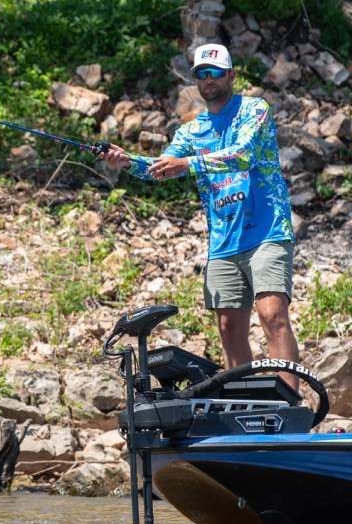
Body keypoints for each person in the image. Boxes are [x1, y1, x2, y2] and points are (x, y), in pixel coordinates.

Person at [98, 43, 300, 390]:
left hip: (267, 230)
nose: (209, 79)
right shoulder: (192, 130)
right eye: (202, 74)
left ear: (231, 75)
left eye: (215, 72)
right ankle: (243, 404)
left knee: (272, 316)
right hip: (223, 240)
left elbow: (243, 154)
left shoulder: (255, 109)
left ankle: (290, 404)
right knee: (229, 328)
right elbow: (163, 167)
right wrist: (127, 161)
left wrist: (188, 163)